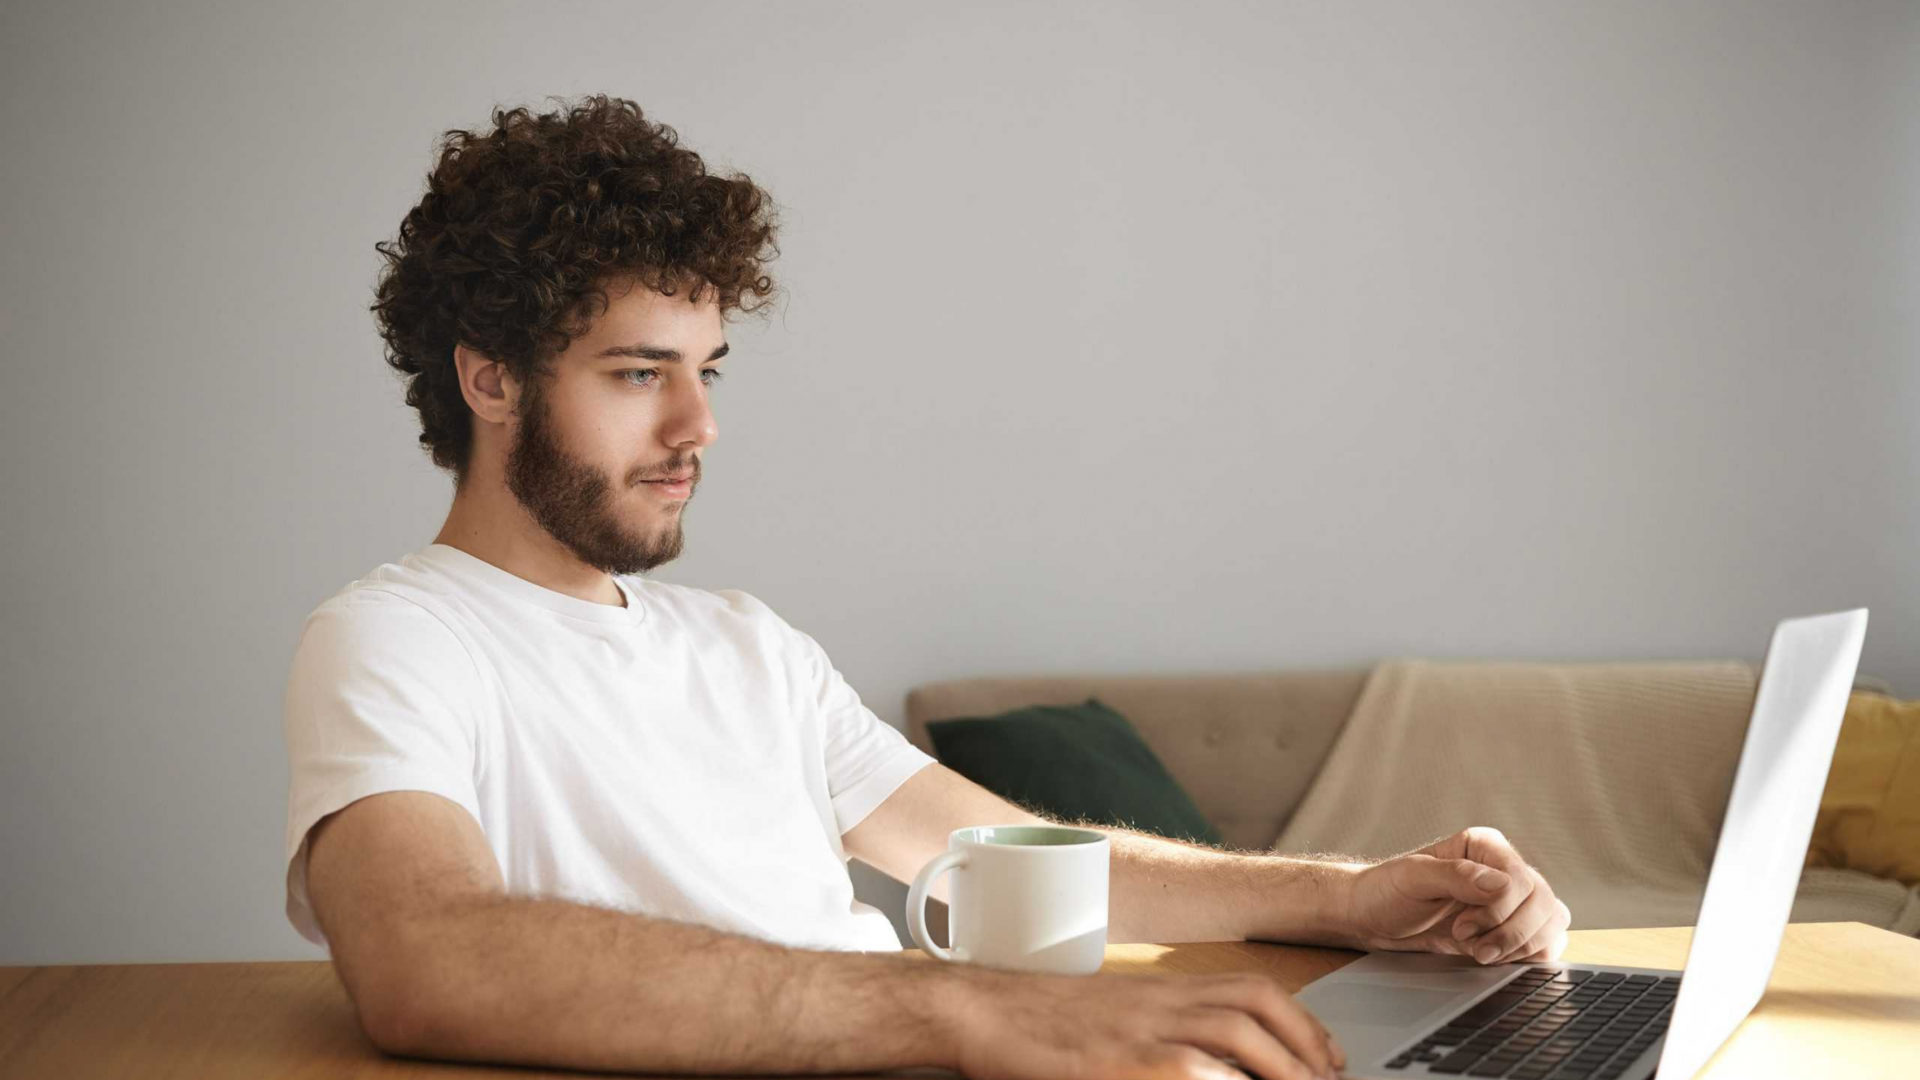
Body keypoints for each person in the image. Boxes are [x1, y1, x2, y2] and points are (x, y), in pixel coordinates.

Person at [284, 94, 1571, 1080]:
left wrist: (1352, 899)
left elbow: (1007, 859)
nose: (698, 427)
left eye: (709, 371)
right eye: (638, 374)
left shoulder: (746, 644)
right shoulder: (398, 638)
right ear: (491, 379)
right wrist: (972, 1009)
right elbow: (424, 957)